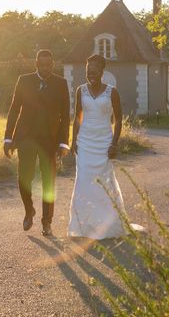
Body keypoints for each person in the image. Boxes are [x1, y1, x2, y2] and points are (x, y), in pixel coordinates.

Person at [68, 54, 137, 239]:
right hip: (84, 142)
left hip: (103, 143)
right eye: (88, 71)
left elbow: (119, 119)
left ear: (102, 72)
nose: (91, 74)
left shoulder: (112, 92)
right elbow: (77, 117)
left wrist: (114, 143)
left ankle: (106, 223)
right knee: (83, 182)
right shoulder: (80, 91)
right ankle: (84, 225)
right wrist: (73, 140)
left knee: (104, 183)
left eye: (94, 71)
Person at [4, 49, 70, 237]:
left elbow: (65, 116)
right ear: (36, 64)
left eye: (49, 65)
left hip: (50, 140)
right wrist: (8, 138)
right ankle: (29, 210)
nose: (46, 68)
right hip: (26, 138)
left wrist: (64, 142)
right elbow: (14, 110)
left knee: (49, 181)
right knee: (24, 177)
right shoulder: (24, 81)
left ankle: (47, 222)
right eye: (42, 65)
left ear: (53, 64)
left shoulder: (61, 83)